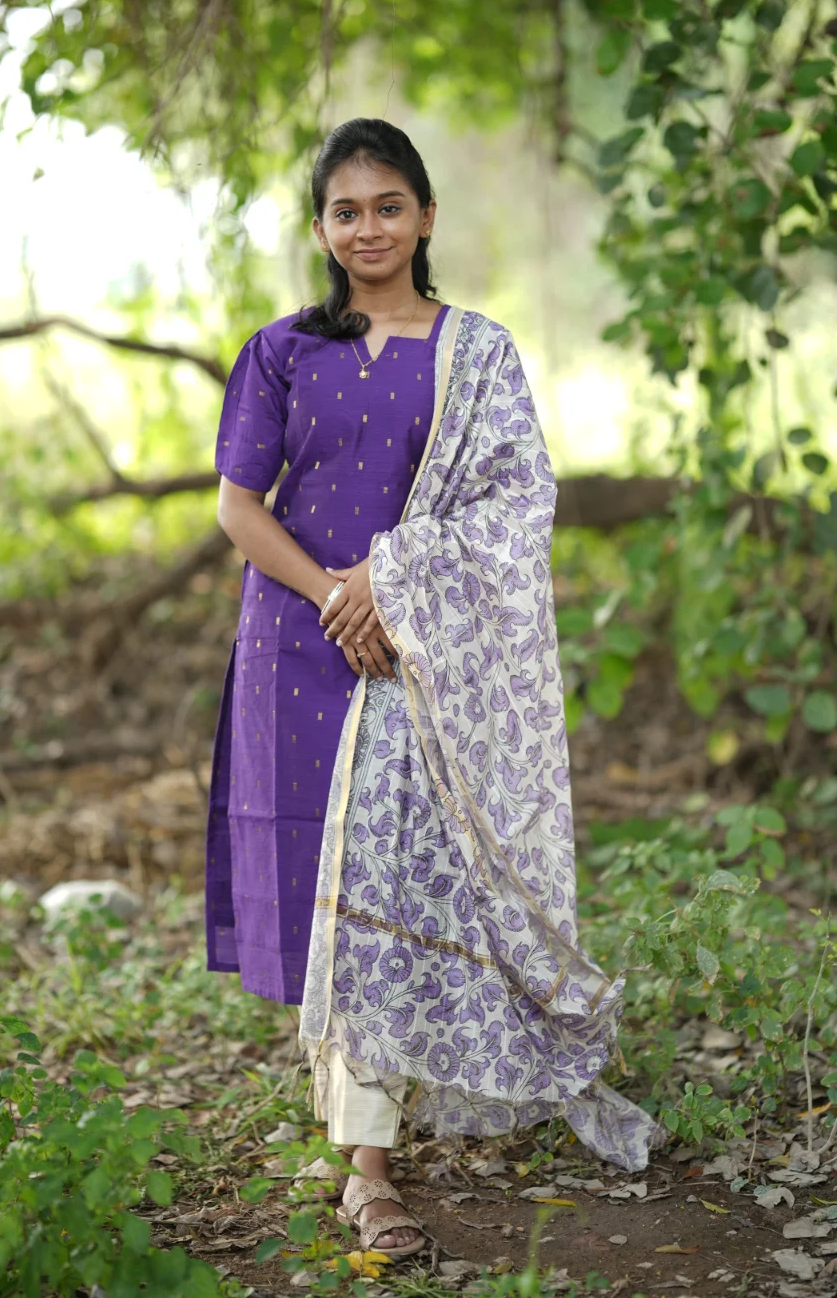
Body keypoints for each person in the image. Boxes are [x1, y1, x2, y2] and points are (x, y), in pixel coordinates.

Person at [205, 119, 660, 1259]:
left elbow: (515, 506)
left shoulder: (478, 354)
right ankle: (363, 1149)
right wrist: (336, 595)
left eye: (388, 206)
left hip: (421, 652)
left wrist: (392, 585)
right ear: (321, 228)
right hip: (302, 643)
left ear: (425, 217)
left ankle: (364, 1158)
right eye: (345, 210)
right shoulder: (280, 351)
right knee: (328, 879)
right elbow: (238, 506)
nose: (368, 228)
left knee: (396, 878)